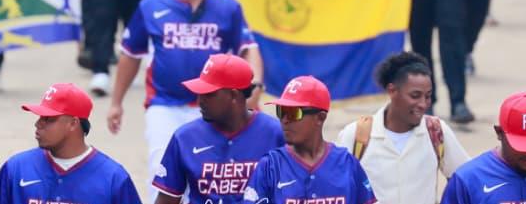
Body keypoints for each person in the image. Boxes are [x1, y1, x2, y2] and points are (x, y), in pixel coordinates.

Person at [110, 0, 263, 183]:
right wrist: (116, 102)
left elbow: (248, 48)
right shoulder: (151, 6)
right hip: (164, 104)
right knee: (161, 171)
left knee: (209, 173)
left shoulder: (227, 6)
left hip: (215, 105)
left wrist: (255, 86)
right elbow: (130, 53)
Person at [336, 52, 469, 204]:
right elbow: (336, 188)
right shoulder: (355, 135)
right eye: (415, 95)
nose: (423, 104)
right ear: (392, 91)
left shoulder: (437, 131)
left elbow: (467, 180)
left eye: (428, 96)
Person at [154, 53, 284, 204]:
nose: (200, 100)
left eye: (209, 94)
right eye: (199, 93)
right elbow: (166, 199)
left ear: (234, 95)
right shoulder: (184, 138)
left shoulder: (276, 134)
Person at [0, 82, 141, 204]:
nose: (38, 124)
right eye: (39, 117)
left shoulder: (112, 178)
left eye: (48, 119)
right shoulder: (16, 169)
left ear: (73, 124)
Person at [243, 75, 377, 204]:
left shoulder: (347, 163)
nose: (284, 120)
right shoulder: (270, 166)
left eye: (293, 113)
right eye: (281, 111)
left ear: (320, 118)